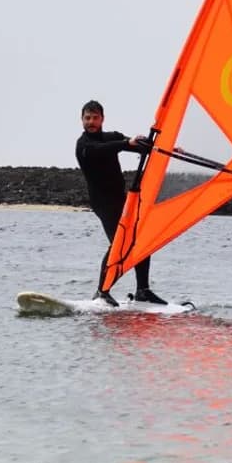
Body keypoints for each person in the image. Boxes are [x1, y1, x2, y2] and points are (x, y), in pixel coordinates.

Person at [75, 100, 166, 307]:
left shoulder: (111, 136)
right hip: (103, 203)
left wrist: (163, 149)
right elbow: (103, 149)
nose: (91, 122)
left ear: (102, 119)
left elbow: (141, 147)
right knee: (119, 244)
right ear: (81, 120)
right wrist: (127, 143)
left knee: (140, 238)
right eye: (87, 118)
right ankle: (102, 291)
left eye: (95, 118)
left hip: (122, 200)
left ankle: (143, 290)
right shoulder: (84, 146)